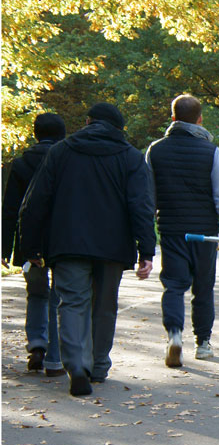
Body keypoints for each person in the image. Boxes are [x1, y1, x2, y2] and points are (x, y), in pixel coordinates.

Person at [18, 102, 155, 396]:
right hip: (113, 245)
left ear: (88, 121)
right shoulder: (130, 157)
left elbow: (36, 201)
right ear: (119, 128)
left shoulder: (61, 151)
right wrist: (147, 250)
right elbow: (141, 206)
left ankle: (76, 366)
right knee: (105, 305)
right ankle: (98, 365)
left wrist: (30, 247)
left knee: (72, 303)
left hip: (67, 242)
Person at [145, 93, 219, 367]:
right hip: (204, 232)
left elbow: (148, 197)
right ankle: (203, 343)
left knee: (174, 285)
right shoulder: (211, 151)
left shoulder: (155, 150)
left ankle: (174, 335)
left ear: (173, 118)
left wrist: (145, 235)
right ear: (200, 119)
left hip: (172, 229)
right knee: (203, 286)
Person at [2, 112, 67, 376]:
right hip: (63, 239)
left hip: (31, 241)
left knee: (37, 293)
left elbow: (9, 210)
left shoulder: (21, 163)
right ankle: (55, 355)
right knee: (60, 297)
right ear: (62, 134)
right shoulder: (67, 160)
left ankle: (37, 345)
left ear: (35, 134)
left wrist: (4, 247)